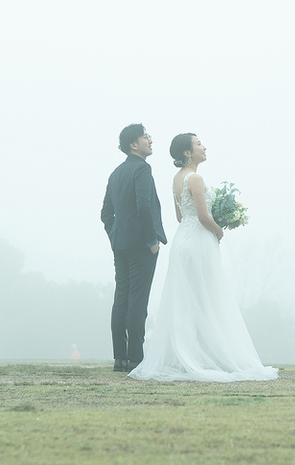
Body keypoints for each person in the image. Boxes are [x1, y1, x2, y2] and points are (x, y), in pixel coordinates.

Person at [129, 133, 277, 382]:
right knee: (208, 296)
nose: (204, 147)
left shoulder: (176, 179)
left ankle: (191, 353)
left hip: (182, 241)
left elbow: (179, 217)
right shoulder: (195, 178)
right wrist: (219, 230)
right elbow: (203, 217)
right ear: (187, 153)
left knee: (188, 300)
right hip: (199, 242)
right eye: (199, 144)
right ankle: (206, 355)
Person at [101, 123, 168, 373]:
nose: (150, 140)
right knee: (138, 301)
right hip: (141, 245)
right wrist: (151, 240)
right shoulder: (142, 169)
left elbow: (106, 213)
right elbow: (144, 206)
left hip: (121, 245)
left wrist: (115, 235)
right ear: (133, 144)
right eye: (145, 137)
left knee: (122, 299)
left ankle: (120, 358)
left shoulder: (116, 173)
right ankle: (136, 359)